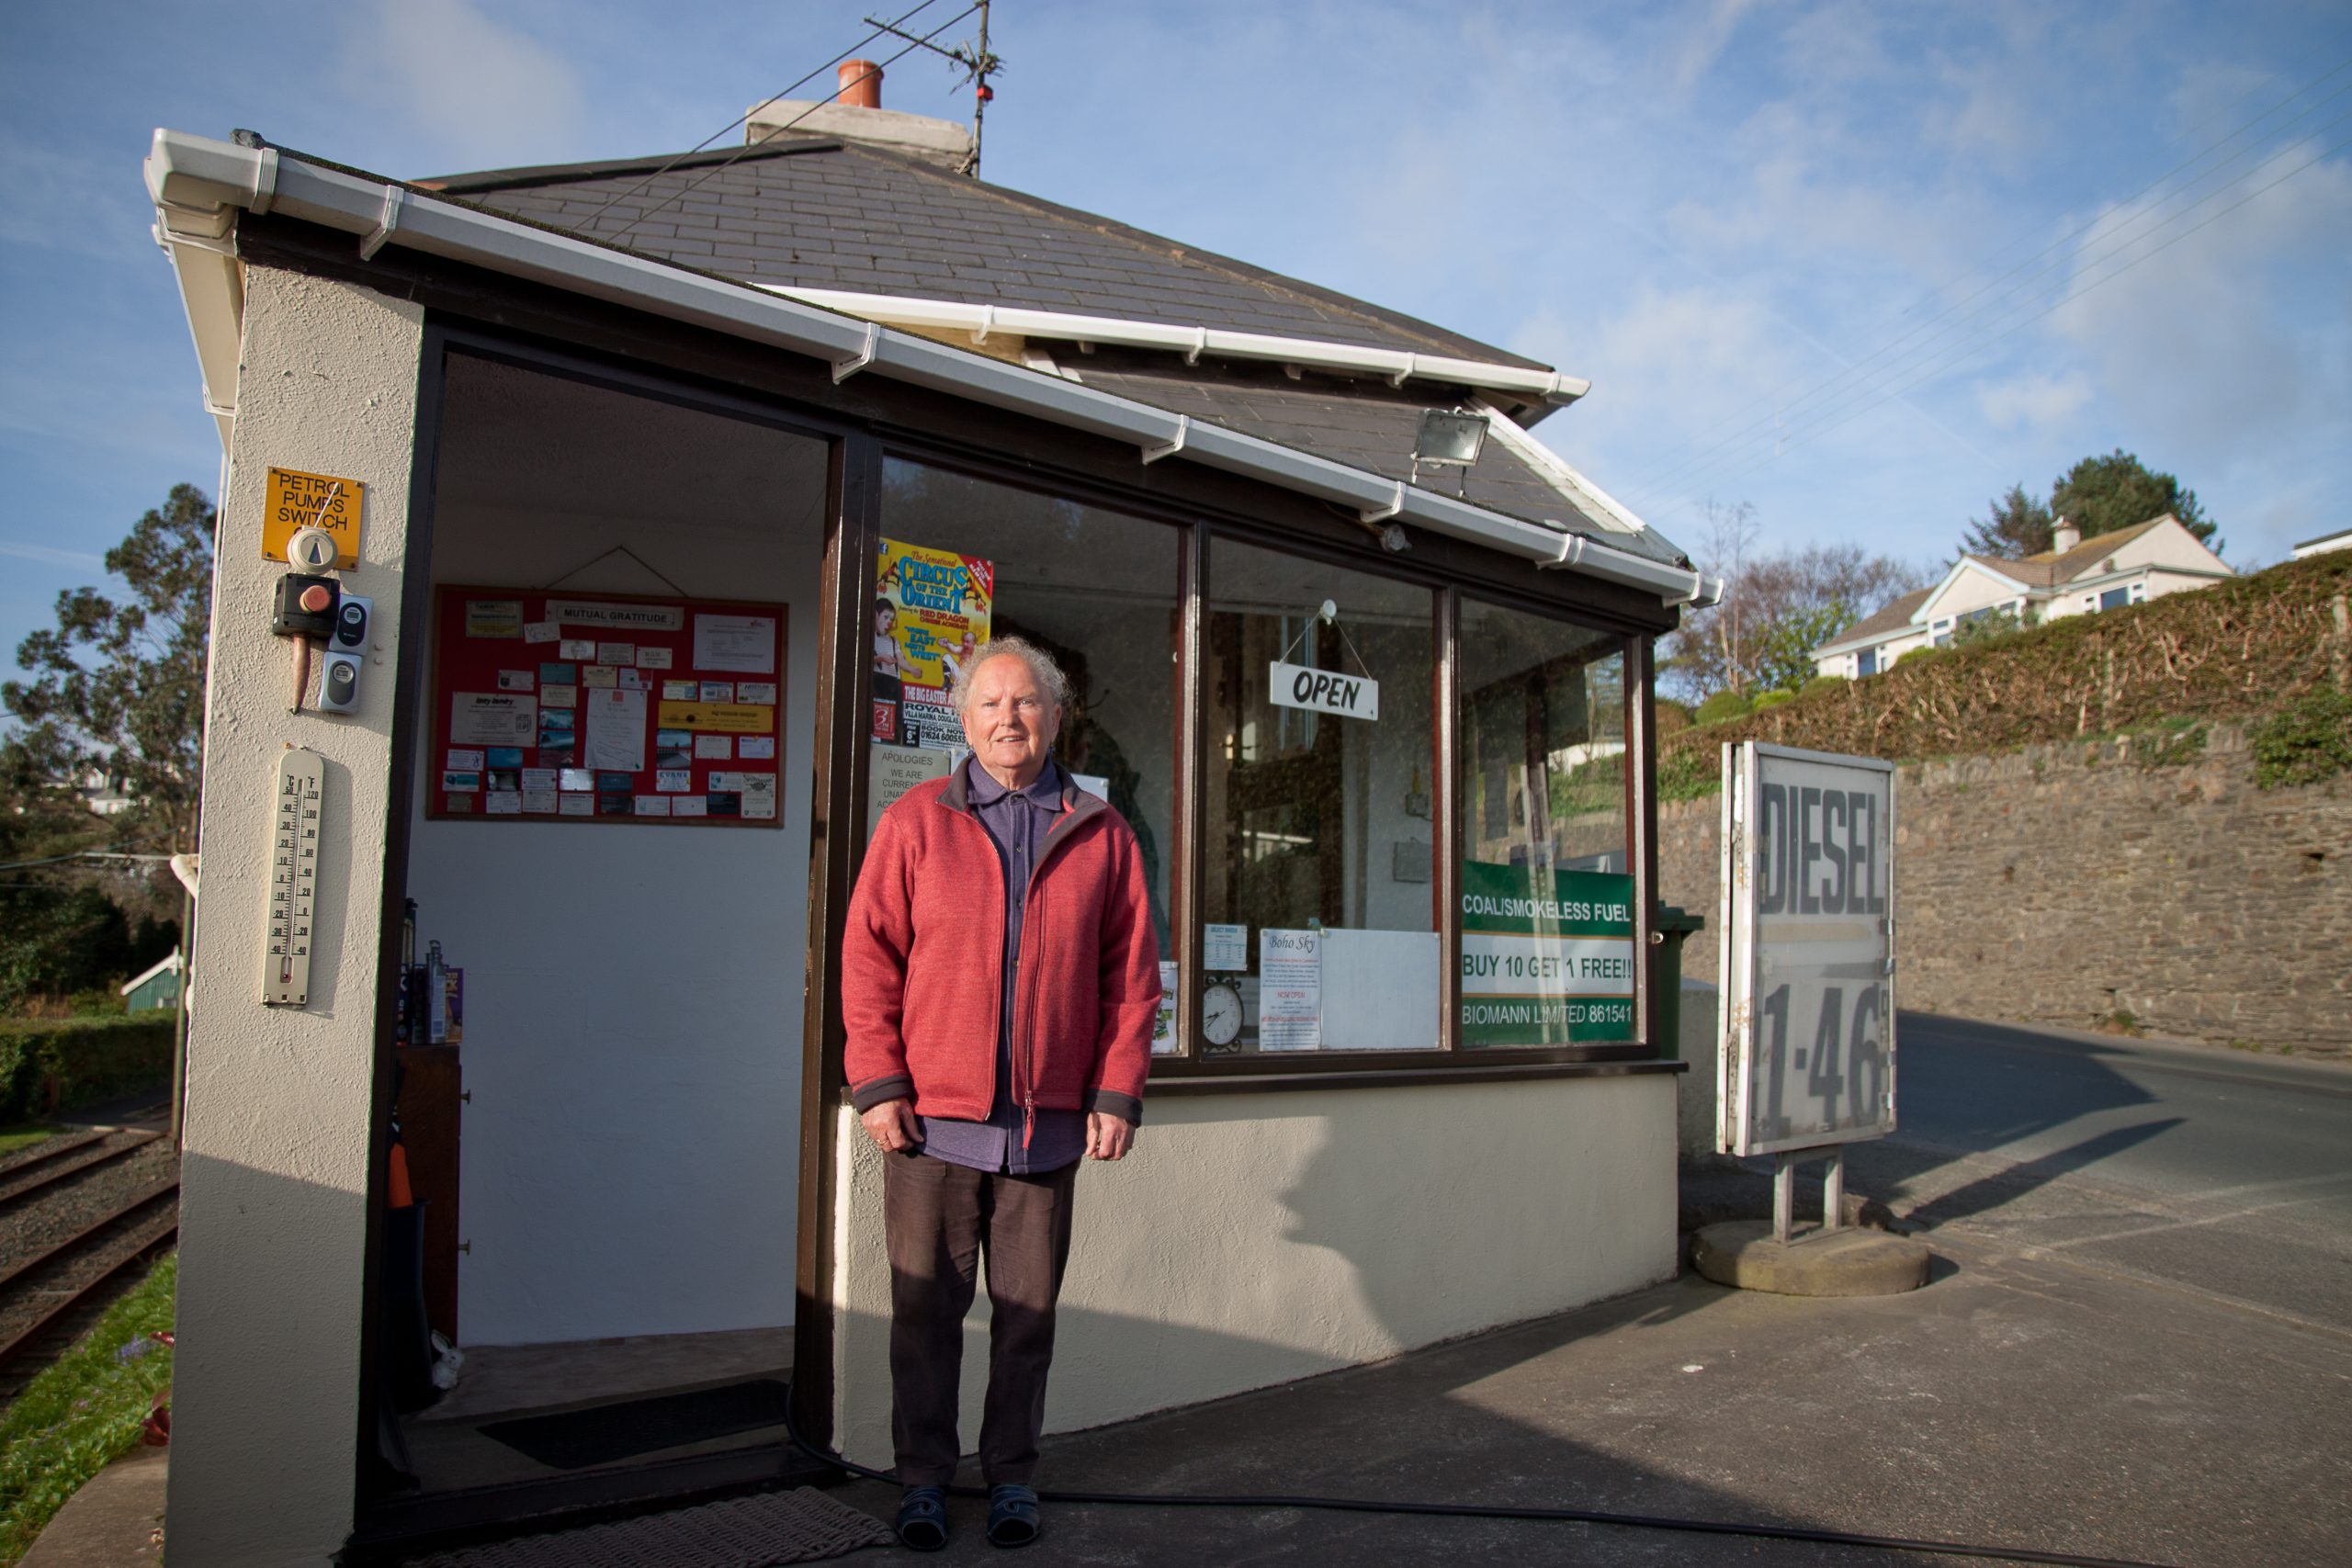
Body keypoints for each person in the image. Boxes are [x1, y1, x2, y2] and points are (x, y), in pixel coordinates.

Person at [842, 636, 1160, 1552]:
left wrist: (1113, 1091)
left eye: (1025, 704)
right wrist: (878, 1083)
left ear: (1057, 718)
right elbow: (868, 962)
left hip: (1048, 1131)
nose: (1007, 719)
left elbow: (1131, 979)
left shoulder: (1101, 832)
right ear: (963, 718)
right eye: (989, 705)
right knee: (924, 1317)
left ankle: (1012, 1476)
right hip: (931, 1128)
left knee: (1026, 1323)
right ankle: (922, 1482)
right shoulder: (915, 821)